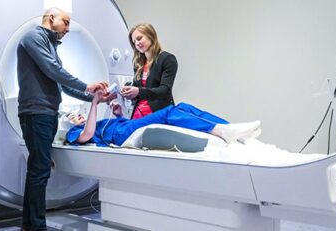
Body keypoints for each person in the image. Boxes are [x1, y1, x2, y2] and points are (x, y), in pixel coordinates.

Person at [16, 7, 111, 231]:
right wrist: (87, 85)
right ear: (51, 18)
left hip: (47, 112)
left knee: (37, 171)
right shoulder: (33, 37)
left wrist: (94, 97)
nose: (68, 29)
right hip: (36, 112)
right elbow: (53, 70)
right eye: (65, 22)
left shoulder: (50, 45)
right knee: (40, 172)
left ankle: (29, 226)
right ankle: (37, 226)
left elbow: (60, 83)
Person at [67, 91, 261, 147]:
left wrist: (119, 115)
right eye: (75, 117)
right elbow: (88, 135)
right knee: (168, 113)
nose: (79, 116)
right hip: (121, 135)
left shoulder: (101, 122)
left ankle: (229, 129)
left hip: (125, 126)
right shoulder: (74, 132)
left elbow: (119, 125)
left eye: (80, 113)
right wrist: (94, 104)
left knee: (183, 107)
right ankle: (221, 131)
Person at [120, 23, 178, 119]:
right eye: (134, 42)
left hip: (158, 113)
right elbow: (138, 90)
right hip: (138, 113)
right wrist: (129, 91)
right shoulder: (138, 64)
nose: (137, 43)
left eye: (139, 38)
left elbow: (165, 90)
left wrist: (138, 91)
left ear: (150, 35)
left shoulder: (167, 59)